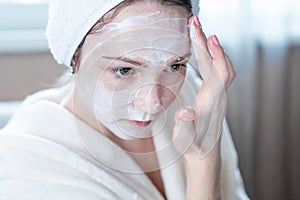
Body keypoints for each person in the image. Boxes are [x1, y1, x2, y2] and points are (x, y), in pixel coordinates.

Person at [0, 0, 249, 199]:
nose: (153, 102)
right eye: (124, 70)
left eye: (175, 65)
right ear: (74, 57)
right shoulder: (24, 170)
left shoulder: (191, 96)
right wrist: (203, 162)